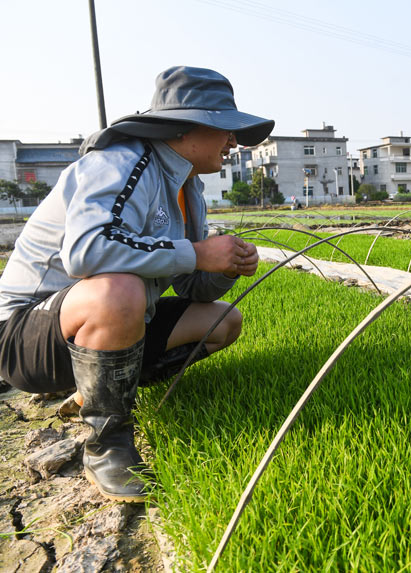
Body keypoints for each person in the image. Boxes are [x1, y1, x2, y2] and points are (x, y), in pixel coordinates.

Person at [0, 66, 275, 502]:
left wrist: (223, 268)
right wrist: (199, 252)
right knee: (118, 291)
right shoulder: (121, 162)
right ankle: (106, 444)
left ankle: (91, 392)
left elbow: (190, 288)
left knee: (222, 321)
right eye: (225, 129)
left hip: (99, 323)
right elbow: (87, 251)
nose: (233, 142)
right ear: (188, 129)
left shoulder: (187, 185)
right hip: (24, 333)